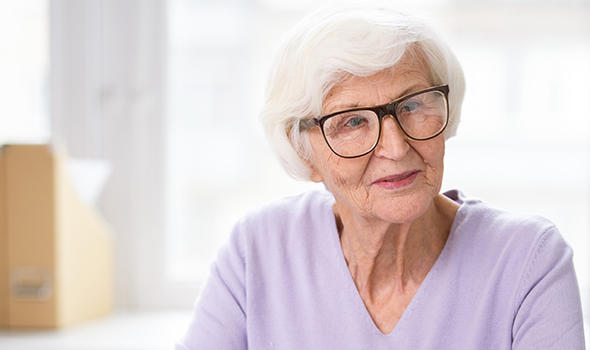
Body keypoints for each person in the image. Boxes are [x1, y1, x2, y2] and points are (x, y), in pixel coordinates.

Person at [176, 5, 585, 349]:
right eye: (352, 122)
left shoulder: (528, 259)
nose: (395, 147)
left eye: (413, 105)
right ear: (306, 153)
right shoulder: (258, 250)